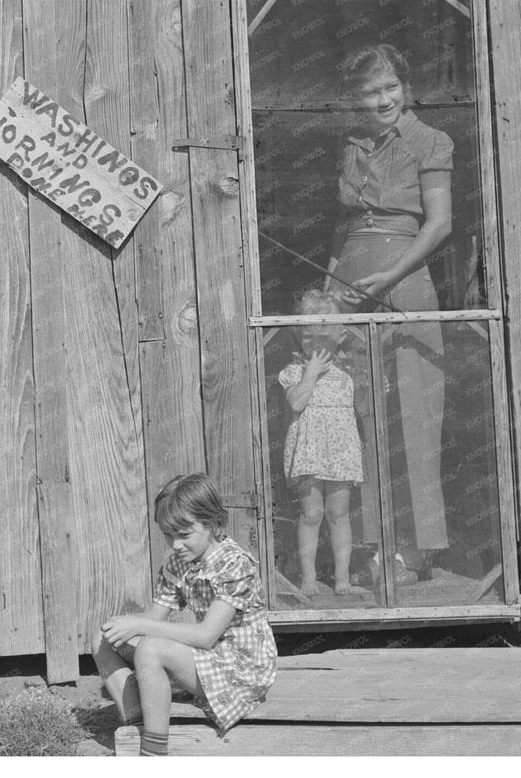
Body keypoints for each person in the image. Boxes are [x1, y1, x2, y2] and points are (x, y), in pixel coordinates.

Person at [326, 43, 451, 580]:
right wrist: (329, 286)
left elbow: (440, 223)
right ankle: (374, 544)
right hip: (350, 289)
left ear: (406, 86)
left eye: (391, 88)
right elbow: (344, 224)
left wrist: (392, 275)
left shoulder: (431, 141)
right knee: (357, 416)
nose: (383, 100)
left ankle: (419, 550)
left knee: (414, 416)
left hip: (405, 285)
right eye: (370, 92)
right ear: (354, 98)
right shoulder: (351, 146)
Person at [94, 474, 276, 756]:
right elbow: (154, 617)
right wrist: (125, 628)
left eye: (184, 534)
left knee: (151, 649)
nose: (175, 544)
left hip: (240, 669)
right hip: (208, 659)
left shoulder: (234, 565)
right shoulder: (180, 562)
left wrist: (138, 625)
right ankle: (137, 722)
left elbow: (205, 636)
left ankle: (154, 753)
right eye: (168, 535)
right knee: (103, 638)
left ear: (211, 523)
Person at [279, 291, 363, 596]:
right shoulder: (294, 371)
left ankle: (342, 579)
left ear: (341, 335)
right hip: (309, 450)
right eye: (308, 336)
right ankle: (309, 579)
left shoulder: (348, 372)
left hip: (340, 450)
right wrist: (311, 373)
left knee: (338, 514)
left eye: (324, 336)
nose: (316, 344)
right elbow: (297, 403)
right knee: (311, 514)